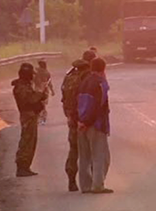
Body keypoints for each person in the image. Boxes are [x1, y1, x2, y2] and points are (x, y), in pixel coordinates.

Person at [61, 50, 96, 192]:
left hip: (71, 117)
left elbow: (64, 95)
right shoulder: (88, 76)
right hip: (85, 118)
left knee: (74, 149)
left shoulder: (70, 75)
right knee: (92, 149)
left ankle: (71, 180)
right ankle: (94, 181)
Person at [77, 57, 112, 194]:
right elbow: (99, 106)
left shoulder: (83, 81)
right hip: (95, 125)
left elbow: (76, 102)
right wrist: (88, 123)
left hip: (81, 124)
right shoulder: (100, 84)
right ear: (103, 69)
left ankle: (85, 186)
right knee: (100, 156)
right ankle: (98, 185)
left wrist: (80, 122)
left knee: (84, 157)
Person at [12, 62, 48, 177]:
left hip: (31, 115)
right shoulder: (21, 87)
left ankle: (25, 166)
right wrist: (40, 94)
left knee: (30, 141)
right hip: (28, 116)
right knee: (27, 141)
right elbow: (29, 100)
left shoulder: (25, 85)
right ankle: (22, 166)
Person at [34, 60, 55, 125]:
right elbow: (49, 83)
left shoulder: (36, 72)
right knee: (43, 105)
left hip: (37, 90)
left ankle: (38, 118)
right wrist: (52, 90)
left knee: (37, 104)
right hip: (44, 91)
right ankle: (42, 118)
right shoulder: (46, 73)